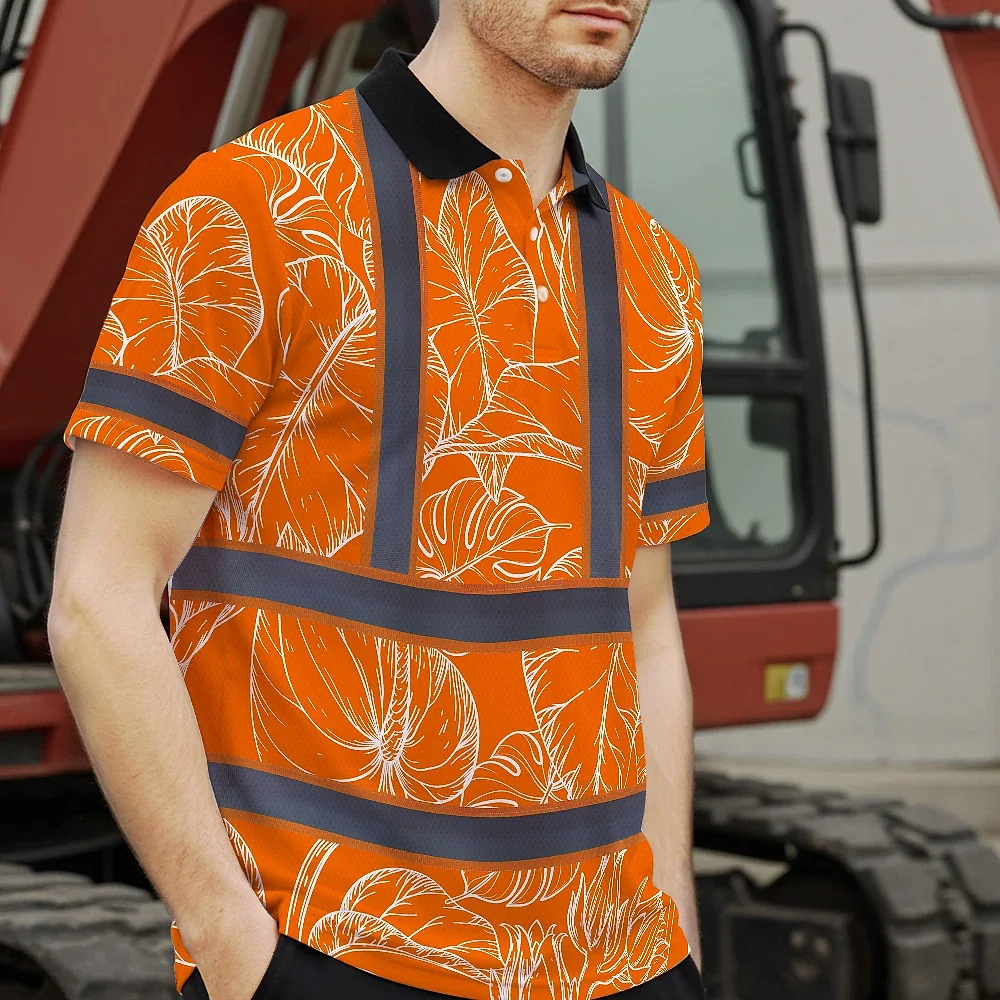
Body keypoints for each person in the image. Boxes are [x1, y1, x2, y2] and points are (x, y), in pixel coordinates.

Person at [48, 0, 709, 997]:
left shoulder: (657, 272)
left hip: (623, 960)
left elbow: (644, 625)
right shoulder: (252, 205)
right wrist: (231, 940)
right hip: (336, 950)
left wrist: (674, 926)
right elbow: (98, 595)